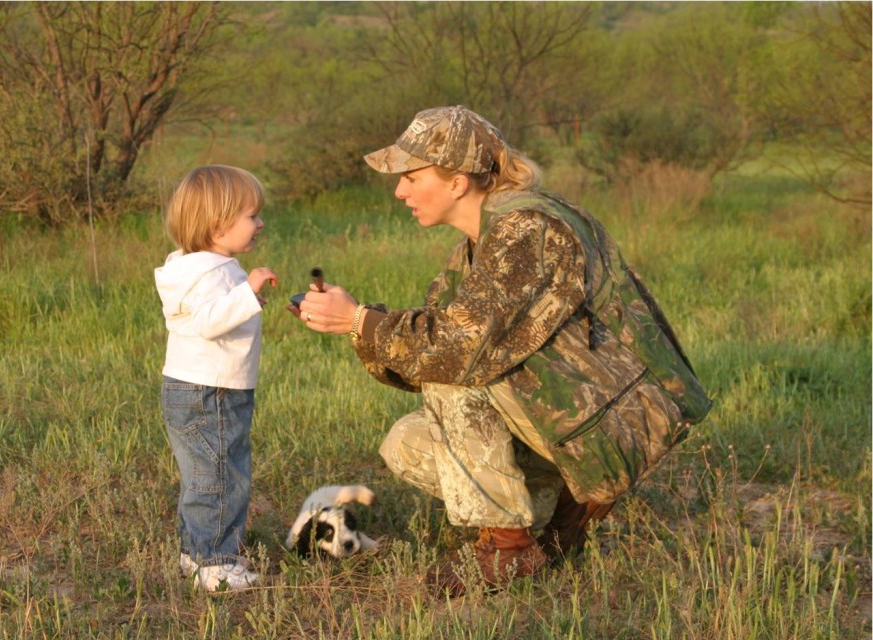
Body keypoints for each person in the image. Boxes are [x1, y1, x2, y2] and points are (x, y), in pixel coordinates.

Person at [292, 106, 710, 597]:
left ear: (457, 181)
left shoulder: (527, 230)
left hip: (616, 425)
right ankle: (560, 514)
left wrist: (361, 319)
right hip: (577, 417)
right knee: (406, 442)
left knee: (452, 375)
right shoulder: (482, 240)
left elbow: (454, 351)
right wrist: (356, 324)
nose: (400, 191)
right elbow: (426, 355)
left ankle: (507, 548)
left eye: (411, 176)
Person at [155, 165, 277, 592]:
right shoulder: (213, 272)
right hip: (213, 393)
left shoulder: (195, 267)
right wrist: (247, 292)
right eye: (251, 216)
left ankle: (197, 551)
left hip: (197, 389)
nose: (260, 223)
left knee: (206, 475)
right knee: (221, 476)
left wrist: (249, 296)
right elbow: (209, 321)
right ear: (218, 225)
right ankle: (216, 564)